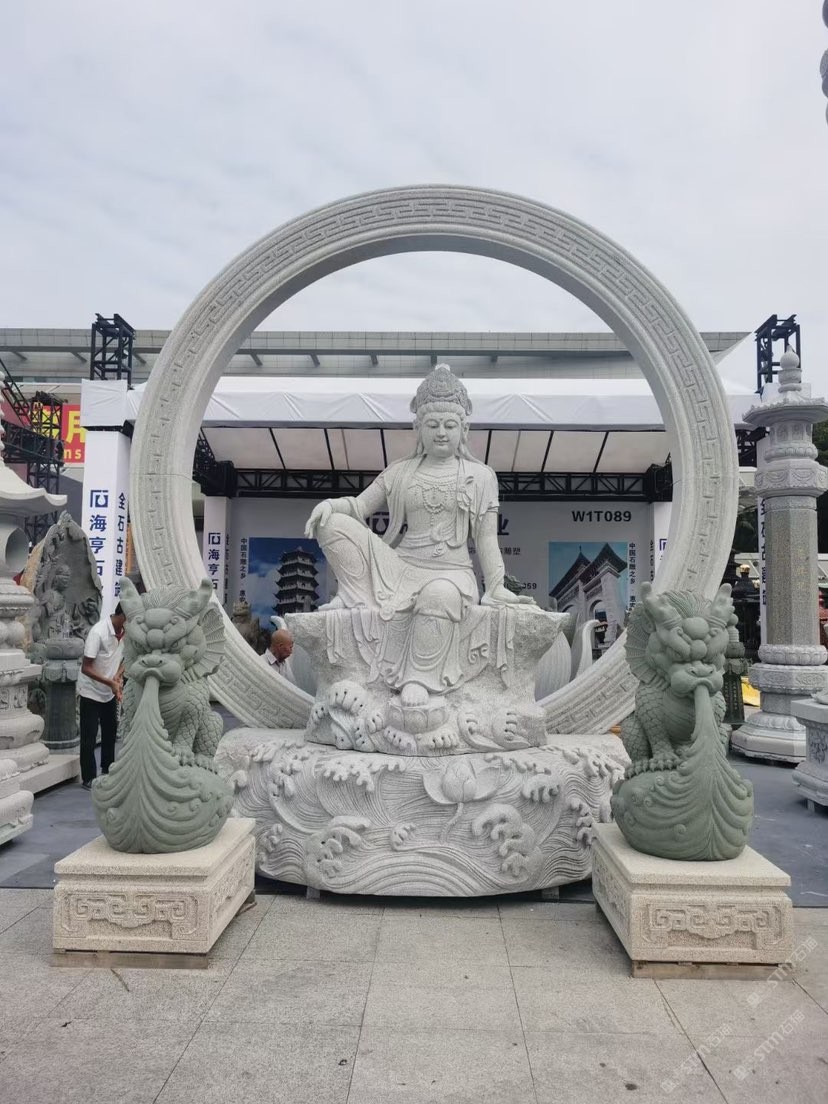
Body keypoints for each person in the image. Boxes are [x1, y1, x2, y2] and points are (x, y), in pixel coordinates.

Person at [305, 363, 533, 707]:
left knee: (438, 595)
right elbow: (360, 506)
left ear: (464, 429)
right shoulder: (400, 471)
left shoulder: (481, 476)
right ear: (418, 428)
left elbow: (487, 538)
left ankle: (420, 678)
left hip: (450, 574)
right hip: (400, 567)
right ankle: (355, 594)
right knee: (332, 524)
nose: (441, 433)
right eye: (432, 425)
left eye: (450, 425)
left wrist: (496, 585)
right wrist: (330, 505)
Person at [77, 603, 126, 788]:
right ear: (123, 615)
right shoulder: (98, 632)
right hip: (90, 691)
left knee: (110, 732)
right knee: (89, 736)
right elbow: (86, 667)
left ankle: (108, 770)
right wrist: (110, 683)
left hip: (109, 692)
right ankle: (88, 777)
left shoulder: (126, 633)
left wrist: (118, 675)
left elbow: (129, 657)